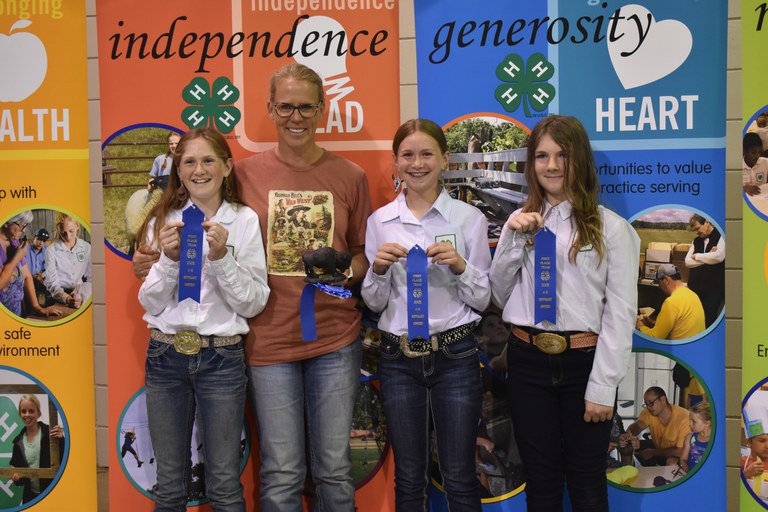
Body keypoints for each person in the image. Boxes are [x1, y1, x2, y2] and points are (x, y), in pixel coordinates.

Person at [130, 63, 373, 511]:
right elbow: (192, 211)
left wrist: (344, 273)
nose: (295, 116)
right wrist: (151, 260)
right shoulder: (241, 173)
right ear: (271, 109)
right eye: (285, 106)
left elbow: (363, 254)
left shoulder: (351, 177)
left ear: (321, 109)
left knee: (335, 469)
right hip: (268, 341)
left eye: (304, 107)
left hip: (335, 337)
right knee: (280, 471)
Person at [489, 115, 639, 511]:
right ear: (531, 163)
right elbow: (498, 294)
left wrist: (603, 387)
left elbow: (620, 316)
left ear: (581, 161)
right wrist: (514, 241)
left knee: (588, 484)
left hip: (584, 365)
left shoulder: (613, 229)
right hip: (527, 362)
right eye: (541, 156)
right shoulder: (517, 224)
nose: (551, 166)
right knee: (540, 481)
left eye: (562, 155)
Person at [361, 118, 491, 510]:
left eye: (426, 154)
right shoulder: (379, 222)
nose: (417, 163)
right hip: (399, 359)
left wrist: (461, 267)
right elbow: (373, 302)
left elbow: (484, 299)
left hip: (456, 356)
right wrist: (378, 270)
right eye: (408, 155)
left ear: (445, 159)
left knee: (460, 476)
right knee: (409, 477)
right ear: (395, 162)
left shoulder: (469, 220)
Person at [137, 127, 270, 511]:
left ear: (227, 166)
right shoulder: (161, 222)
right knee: (169, 486)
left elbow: (253, 304)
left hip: (221, 360)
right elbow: (149, 301)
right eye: (189, 162)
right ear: (178, 171)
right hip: (165, 357)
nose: (199, 170)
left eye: (209, 160)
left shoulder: (244, 222)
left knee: (225, 484)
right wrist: (168, 260)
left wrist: (222, 258)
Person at [0, 212, 62, 318]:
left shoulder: (14, 242)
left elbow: (27, 276)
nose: (24, 230)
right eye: (21, 225)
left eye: (25, 226)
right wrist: (16, 258)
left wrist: (37, 307)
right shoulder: (22, 249)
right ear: (6, 222)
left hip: (17, 310)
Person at [9, 394, 65, 504]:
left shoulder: (51, 434)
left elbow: (66, 463)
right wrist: (15, 474)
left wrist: (62, 440)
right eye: (24, 411)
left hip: (53, 495)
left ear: (38, 413)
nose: (27, 415)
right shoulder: (18, 442)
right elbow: (20, 481)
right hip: (30, 499)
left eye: (31, 411)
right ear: (20, 414)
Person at [619, 387, 691, 467]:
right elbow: (638, 425)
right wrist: (630, 434)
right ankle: (628, 472)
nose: (649, 407)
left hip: (676, 453)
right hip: (658, 446)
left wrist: (653, 452)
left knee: (672, 462)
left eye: (651, 403)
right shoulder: (648, 412)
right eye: (646, 404)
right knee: (627, 446)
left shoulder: (684, 418)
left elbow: (680, 451)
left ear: (663, 399)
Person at [636, 264, 705, 340]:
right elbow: (679, 325)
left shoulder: (671, 302)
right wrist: (653, 324)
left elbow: (655, 337)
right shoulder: (693, 295)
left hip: (678, 350)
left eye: (659, 282)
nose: (660, 287)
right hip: (693, 347)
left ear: (666, 279)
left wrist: (640, 327)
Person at [43, 214, 93, 309]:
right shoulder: (51, 251)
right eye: (63, 233)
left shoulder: (86, 247)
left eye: (71, 231)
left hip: (79, 293)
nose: (68, 237)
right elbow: (51, 281)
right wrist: (65, 298)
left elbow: (92, 277)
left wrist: (79, 291)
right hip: (56, 295)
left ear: (77, 226)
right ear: (59, 230)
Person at [685, 214, 725, 328]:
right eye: (694, 230)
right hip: (695, 287)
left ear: (707, 222)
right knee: (694, 319)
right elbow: (687, 262)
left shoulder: (722, 236)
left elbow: (718, 257)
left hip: (714, 288)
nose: (697, 232)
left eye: (698, 228)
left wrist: (697, 256)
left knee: (709, 317)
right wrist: (708, 257)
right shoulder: (696, 241)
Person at [680, 401, 711, 473]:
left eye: (693, 421)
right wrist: (687, 471)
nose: (690, 424)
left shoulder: (716, 441)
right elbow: (683, 459)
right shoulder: (689, 437)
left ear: (707, 423)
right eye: (690, 420)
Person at [743, 132, 768, 196]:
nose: (757, 156)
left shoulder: (765, 162)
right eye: (753, 152)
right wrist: (744, 188)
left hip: (761, 200)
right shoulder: (736, 167)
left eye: (760, 152)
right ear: (745, 151)